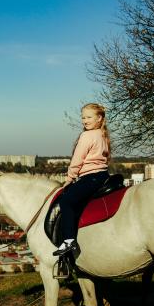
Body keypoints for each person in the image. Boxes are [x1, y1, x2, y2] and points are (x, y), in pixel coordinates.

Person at [53, 103, 111, 258]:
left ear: (99, 118)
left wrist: (70, 178)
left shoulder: (87, 136)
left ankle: (69, 240)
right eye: (83, 117)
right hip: (103, 175)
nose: (85, 120)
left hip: (91, 177)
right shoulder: (103, 134)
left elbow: (77, 159)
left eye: (89, 117)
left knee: (66, 201)